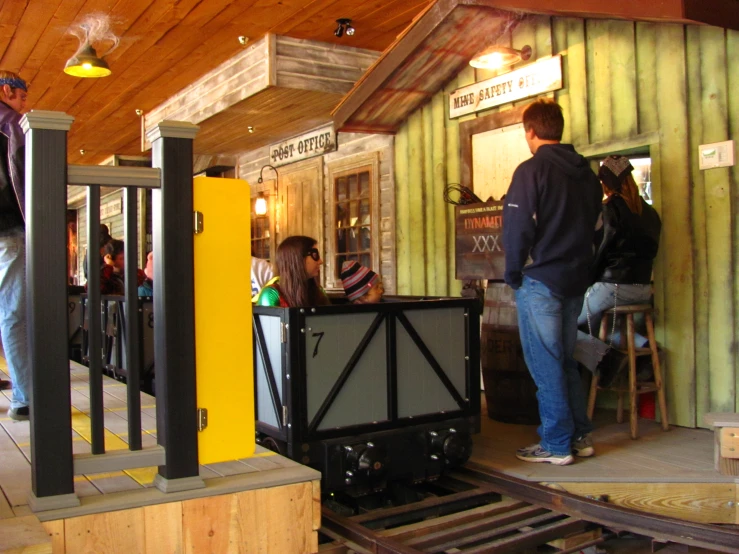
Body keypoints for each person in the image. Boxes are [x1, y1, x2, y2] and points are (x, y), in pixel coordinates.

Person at [502, 99, 602, 466]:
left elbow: (517, 230)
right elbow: (598, 229)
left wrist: (513, 272)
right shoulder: (588, 176)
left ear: (530, 131)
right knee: (564, 361)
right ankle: (580, 437)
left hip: (541, 280)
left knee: (546, 364)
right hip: (576, 280)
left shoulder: (531, 171)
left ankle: (557, 445)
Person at [577, 155, 662, 384]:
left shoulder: (609, 210)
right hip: (642, 289)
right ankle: (644, 351)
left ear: (605, 183)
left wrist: (585, 281)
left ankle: (607, 361)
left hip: (612, 287)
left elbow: (600, 252)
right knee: (602, 328)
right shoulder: (651, 213)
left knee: (561, 327)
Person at [0, 70, 29, 419]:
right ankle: (24, 399)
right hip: (9, 230)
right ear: (7, 90)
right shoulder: (11, 123)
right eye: (23, 95)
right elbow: (23, 177)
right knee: (15, 315)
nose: (26, 103)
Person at [255, 236, 330, 307]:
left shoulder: (318, 291)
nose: (320, 261)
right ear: (297, 259)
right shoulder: (271, 294)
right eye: (315, 255)